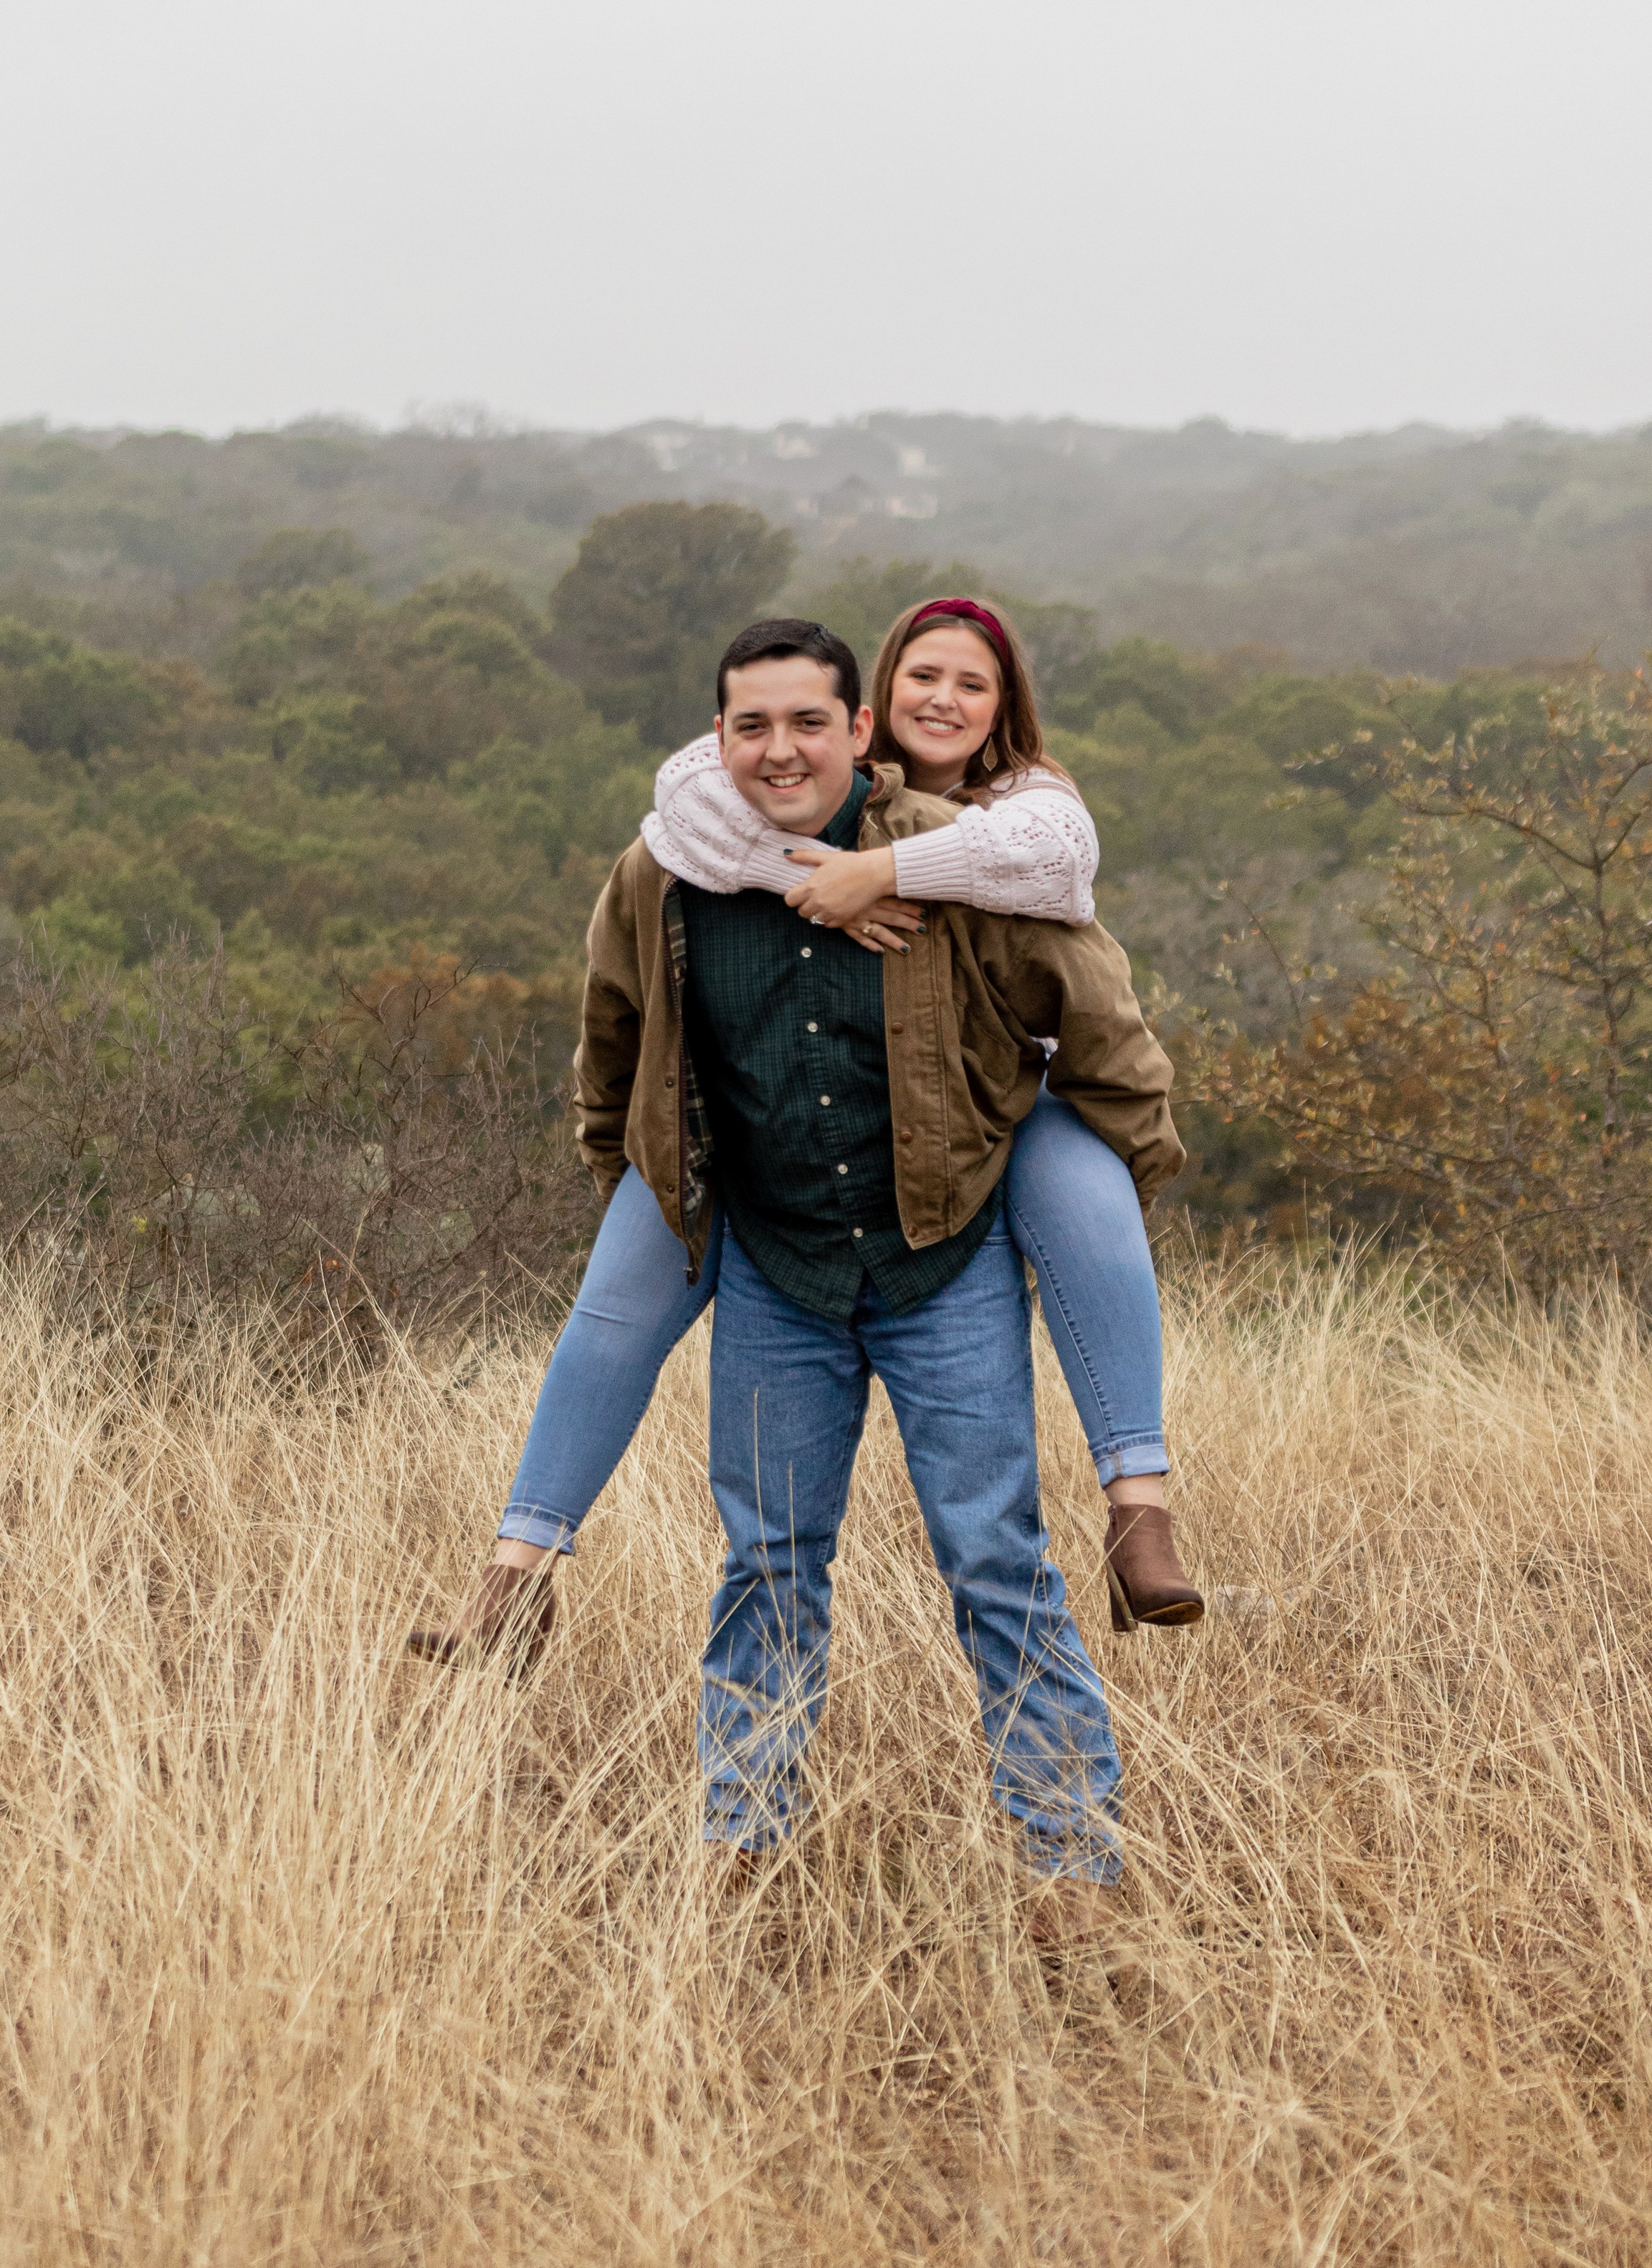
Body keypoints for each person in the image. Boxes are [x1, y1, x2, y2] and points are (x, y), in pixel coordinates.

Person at [510, 617, 1183, 1932]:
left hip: (946, 1261)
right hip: (778, 1273)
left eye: (807, 724)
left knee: (997, 1556)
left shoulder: (972, 856)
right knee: (766, 1563)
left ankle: (1071, 1868)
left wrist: (1125, 1162)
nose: (779, 748)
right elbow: (615, 1035)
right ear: (718, 737)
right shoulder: (677, 866)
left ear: (856, 730)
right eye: (750, 727)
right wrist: (632, 1171)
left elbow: (1098, 1003)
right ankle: (744, 1854)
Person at [407, 595, 1203, 1683]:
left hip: (1001, 1116)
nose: (947, 700)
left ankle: (1138, 1508)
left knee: (1083, 1197)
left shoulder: (1017, 810)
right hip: (763, 1177)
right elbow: (681, 846)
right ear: (883, 698)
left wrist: (882, 875)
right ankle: (516, 1575)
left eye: (975, 684)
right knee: (624, 1307)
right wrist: (801, 879)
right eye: (927, 675)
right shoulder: (721, 808)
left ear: (861, 726)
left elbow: (1072, 916)